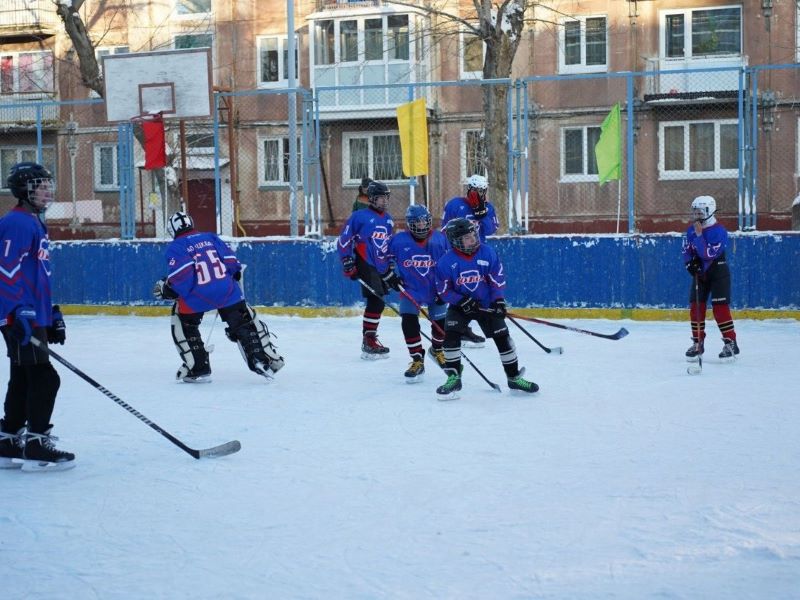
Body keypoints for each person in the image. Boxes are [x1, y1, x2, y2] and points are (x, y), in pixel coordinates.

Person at [0, 162, 74, 471]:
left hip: (31, 314)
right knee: (45, 377)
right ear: (23, 190)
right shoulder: (16, 223)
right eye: (39, 185)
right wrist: (18, 311)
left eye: (47, 184)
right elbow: (5, 269)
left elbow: (36, 274)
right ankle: (36, 442)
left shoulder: (33, 222)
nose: (47, 190)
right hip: (18, 315)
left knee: (24, 375)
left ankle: (7, 440)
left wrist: (50, 313)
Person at [153, 210, 285, 382]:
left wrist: (167, 289)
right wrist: (233, 274)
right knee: (244, 321)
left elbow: (182, 278)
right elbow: (232, 263)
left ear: (172, 230)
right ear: (191, 223)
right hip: (226, 291)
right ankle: (263, 359)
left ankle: (198, 367)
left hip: (197, 297)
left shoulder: (176, 247)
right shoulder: (210, 237)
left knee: (183, 321)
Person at [434, 218, 538, 400]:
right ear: (456, 240)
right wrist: (461, 300)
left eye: (473, 235)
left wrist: (498, 301)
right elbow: (443, 290)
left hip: (485, 304)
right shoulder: (445, 262)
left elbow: (497, 279)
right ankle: (453, 377)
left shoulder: (487, 253)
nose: (473, 239)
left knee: (503, 338)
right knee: (450, 336)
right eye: (467, 237)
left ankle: (513, 378)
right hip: (461, 306)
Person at [386, 204, 450, 382]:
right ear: (410, 224)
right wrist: (390, 275)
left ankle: (437, 350)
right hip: (411, 289)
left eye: (424, 222)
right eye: (417, 223)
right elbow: (386, 259)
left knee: (441, 324)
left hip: (435, 288)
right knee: (409, 322)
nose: (421, 226)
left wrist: (445, 288)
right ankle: (417, 360)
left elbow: (449, 265)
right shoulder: (399, 241)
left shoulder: (440, 240)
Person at [337, 180, 396, 359]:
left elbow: (389, 244)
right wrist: (347, 260)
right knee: (376, 301)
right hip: (365, 262)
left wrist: (390, 264)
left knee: (379, 301)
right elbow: (344, 239)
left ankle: (369, 338)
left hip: (381, 266)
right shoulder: (359, 216)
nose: (384, 201)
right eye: (380, 198)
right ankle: (368, 340)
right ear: (371, 199)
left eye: (386, 197)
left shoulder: (388, 219)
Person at [441, 174, 499, 348]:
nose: (480, 194)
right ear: (469, 190)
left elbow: (491, 230)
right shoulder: (454, 205)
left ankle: (482, 326)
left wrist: (482, 215)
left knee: (479, 290)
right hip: (457, 255)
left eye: (483, 190)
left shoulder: (488, 208)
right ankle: (460, 328)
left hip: (479, 255)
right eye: (476, 190)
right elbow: (445, 229)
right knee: (460, 289)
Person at [682, 195, 739, 361]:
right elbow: (687, 249)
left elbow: (708, 254)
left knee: (720, 309)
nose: (697, 215)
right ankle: (698, 342)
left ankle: (731, 342)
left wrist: (699, 237)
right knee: (695, 307)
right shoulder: (691, 230)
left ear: (710, 211)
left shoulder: (719, 231)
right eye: (695, 211)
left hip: (718, 272)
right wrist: (689, 264)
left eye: (701, 211)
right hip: (700, 274)